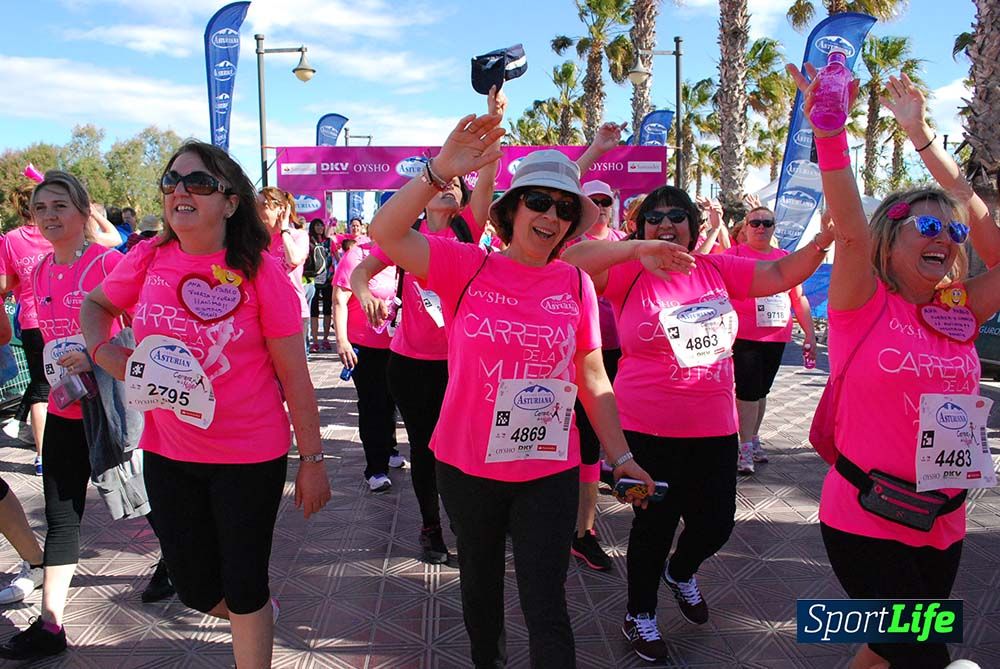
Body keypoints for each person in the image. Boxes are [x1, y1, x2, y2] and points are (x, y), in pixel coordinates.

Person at [369, 112, 661, 669]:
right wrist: (438, 171)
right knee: (481, 594)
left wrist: (622, 457)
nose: (551, 214)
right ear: (513, 209)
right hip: (467, 466)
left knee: (546, 602)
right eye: (539, 202)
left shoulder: (574, 281)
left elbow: (593, 376)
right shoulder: (466, 266)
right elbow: (385, 233)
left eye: (564, 207)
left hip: (548, 469)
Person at [79, 141, 331, 669]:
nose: (179, 191)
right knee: (193, 587)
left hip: (249, 457)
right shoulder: (148, 257)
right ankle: (255, 614)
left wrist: (312, 461)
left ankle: (252, 616)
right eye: (171, 182)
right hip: (170, 455)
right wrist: (105, 352)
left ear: (230, 202)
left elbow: (295, 377)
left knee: (243, 585)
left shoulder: (261, 273)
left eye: (198, 183)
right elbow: (98, 304)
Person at [562, 183, 834, 663]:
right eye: (655, 217)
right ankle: (639, 613)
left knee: (716, 525)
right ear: (642, 226)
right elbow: (574, 260)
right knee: (653, 527)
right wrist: (639, 250)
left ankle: (682, 572)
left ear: (692, 225)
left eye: (676, 216)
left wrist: (819, 244)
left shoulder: (715, 268)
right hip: (648, 428)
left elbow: (779, 273)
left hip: (715, 427)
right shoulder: (629, 271)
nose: (666, 224)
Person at [787, 63, 1000, 669]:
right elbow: (849, 232)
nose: (948, 237)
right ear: (891, 239)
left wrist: (924, 142)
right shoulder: (864, 304)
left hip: (945, 518)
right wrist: (829, 133)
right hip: (865, 514)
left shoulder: (960, 311)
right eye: (929, 226)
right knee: (928, 655)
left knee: (887, 647)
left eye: (953, 229)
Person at [348, 86, 505, 563]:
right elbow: (360, 271)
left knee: (460, 447)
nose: (453, 190)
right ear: (434, 192)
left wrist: (495, 117)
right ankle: (431, 526)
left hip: (460, 366)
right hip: (410, 364)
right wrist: (362, 297)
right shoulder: (404, 237)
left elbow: (488, 177)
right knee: (423, 448)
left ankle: (462, 516)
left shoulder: (466, 232)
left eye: (458, 186)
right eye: (446, 184)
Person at [0, 171, 127, 660]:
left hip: (113, 410)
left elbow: (142, 334)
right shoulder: (38, 270)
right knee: (61, 514)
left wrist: (96, 355)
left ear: (82, 211)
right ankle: (51, 624)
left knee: (147, 501)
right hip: (65, 407)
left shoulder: (108, 263)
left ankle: (174, 566)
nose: (49, 216)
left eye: (59, 206)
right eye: (40, 209)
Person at [725, 204, 819, 473]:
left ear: (774, 228)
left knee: (761, 391)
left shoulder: (783, 257)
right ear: (745, 227)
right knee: (747, 391)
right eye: (755, 223)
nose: (761, 228)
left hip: (777, 335)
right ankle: (744, 448)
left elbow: (798, 298)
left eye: (767, 223)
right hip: (744, 334)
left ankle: (753, 438)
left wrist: (810, 335)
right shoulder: (735, 254)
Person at [333, 234, 406, 493]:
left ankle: (390, 449)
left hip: (399, 345)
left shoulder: (405, 253)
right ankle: (375, 469)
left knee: (391, 400)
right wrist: (341, 340)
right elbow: (340, 299)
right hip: (363, 346)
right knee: (373, 404)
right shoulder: (358, 254)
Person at [0, 185, 51, 476]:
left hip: (32, 320)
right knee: (79, 386)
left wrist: (22, 284)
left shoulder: (11, 239)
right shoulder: (59, 227)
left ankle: (43, 457)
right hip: (67, 318)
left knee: (40, 390)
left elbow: (3, 285)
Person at [258, 188, 310, 352]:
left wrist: (284, 229)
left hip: (292, 311)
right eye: (255, 204)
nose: (257, 209)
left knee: (289, 371)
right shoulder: (256, 240)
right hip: (262, 310)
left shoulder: (298, 236)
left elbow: (294, 259)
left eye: (263, 205)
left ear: (281, 208)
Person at [307, 218, 334, 353]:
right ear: (312, 227)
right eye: (317, 225)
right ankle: (315, 340)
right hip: (313, 279)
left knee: (328, 309)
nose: (319, 228)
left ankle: (325, 339)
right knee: (314, 310)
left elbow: (337, 258)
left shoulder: (329, 242)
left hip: (328, 279)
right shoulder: (308, 241)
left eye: (321, 225)